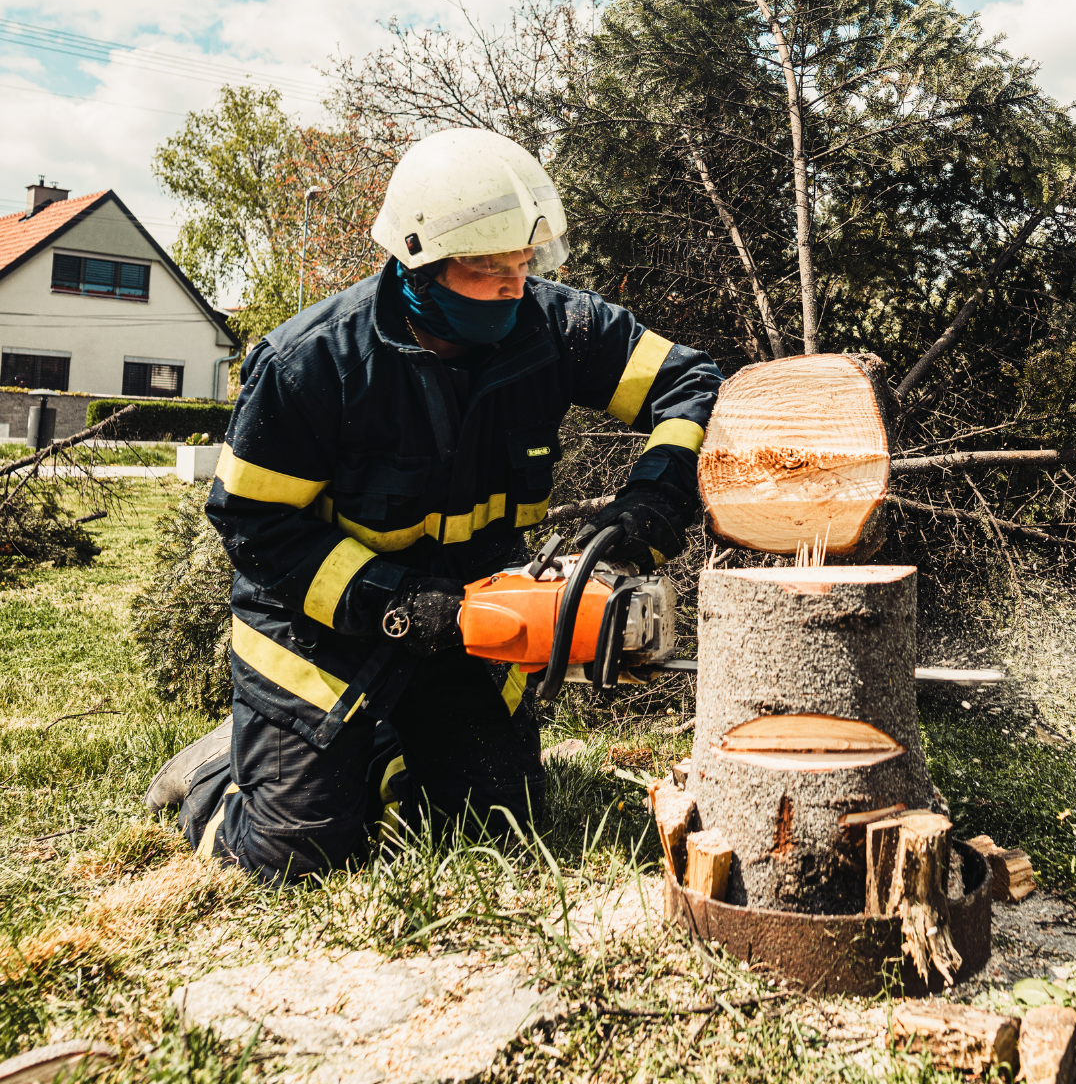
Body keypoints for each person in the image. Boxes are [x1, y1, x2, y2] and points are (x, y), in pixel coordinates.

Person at [146, 128, 723, 882]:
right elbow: (255, 526)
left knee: (496, 827)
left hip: (471, 614)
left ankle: (378, 753)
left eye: (524, 264)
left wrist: (653, 501)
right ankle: (219, 774)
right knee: (294, 858)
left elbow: (692, 384)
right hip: (316, 630)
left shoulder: (557, 330)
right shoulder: (311, 363)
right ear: (419, 264)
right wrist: (397, 605)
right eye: (488, 271)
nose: (515, 287)